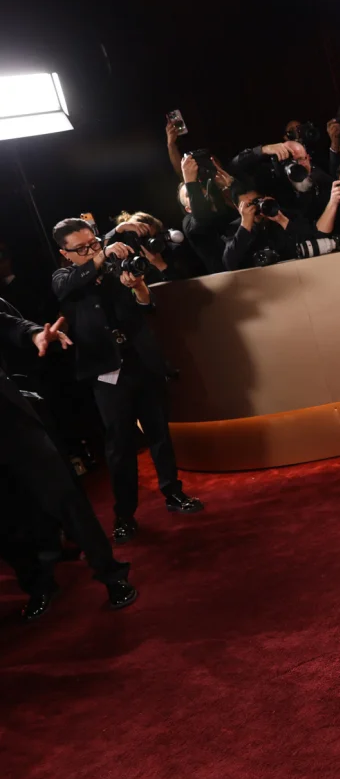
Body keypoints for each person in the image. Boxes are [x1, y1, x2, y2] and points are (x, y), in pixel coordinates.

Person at [50, 218, 204, 544]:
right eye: (82, 248)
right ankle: (124, 513)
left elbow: (147, 307)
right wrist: (102, 253)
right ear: (66, 253)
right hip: (106, 372)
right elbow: (69, 287)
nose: (92, 249)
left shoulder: (115, 264)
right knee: (120, 445)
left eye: (93, 242)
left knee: (160, 431)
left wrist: (138, 286)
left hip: (140, 360)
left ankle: (173, 493)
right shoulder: (64, 277)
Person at [0, 310, 137, 619]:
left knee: (65, 498)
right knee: (5, 521)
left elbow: (8, 323)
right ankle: (38, 586)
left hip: (9, 421)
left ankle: (112, 576)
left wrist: (35, 334)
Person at [224, 185, 325, 268]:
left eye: (256, 201)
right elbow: (230, 263)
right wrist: (245, 226)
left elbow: (312, 243)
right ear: (239, 209)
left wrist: (282, 220)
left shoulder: (286, 216)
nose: (254, 208)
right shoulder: (234, 228)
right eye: (248, 205)